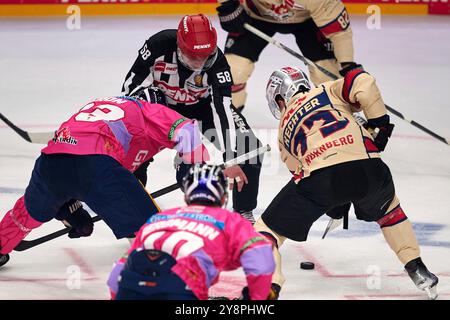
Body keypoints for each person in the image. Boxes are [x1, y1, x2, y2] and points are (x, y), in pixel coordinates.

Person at [253, 66, 439, 299]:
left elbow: (300, 174)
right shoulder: (326, 90)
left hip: (321, 177)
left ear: (280, 98)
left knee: (265, 230)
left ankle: (270, 285)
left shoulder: (283, 131)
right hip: (370, 169)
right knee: (390, 212)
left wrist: (335, 203)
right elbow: (363, 80)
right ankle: (417, 267)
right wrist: (379, 122)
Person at [0, 87, 208, 268]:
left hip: (50, 163)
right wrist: (191, 170)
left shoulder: (102, 104)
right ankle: (170, 285)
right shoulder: (149, 108)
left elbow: (73, 159)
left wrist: (68, 207)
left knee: (27, 211)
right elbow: (187, 130)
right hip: (95, 165)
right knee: (150, 231)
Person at [121, 14, 263, 223]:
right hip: (162, 111)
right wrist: (146, 124)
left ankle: (243, 210)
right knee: (134, 157)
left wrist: (231, 156)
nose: (200, 62)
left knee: (249, 149)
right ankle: (134, 212)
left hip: (203, 108)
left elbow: (222, 108)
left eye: (205, 56)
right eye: (193, 56)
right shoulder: (157, 45)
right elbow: (130, 90)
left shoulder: (218, 63)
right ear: (179, 46)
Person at [107, 164, 276, 300]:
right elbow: (261, 261)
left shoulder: (158, 219)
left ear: (187, 196)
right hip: (180, 289)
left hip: (130, 286)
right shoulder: (229, 221)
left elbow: (117, 274)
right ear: (223, 197)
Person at [216, 0, 357, 111]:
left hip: (307, 21)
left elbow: (339, 33)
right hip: (256, 16)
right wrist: (228, 4)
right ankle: (231, 109)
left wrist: (347, 64)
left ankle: (337, 111)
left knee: (326, 73)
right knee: (234, 70)